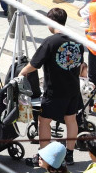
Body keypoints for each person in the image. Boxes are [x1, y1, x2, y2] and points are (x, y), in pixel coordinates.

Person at [16, 8, 84, 163]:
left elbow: (34, 64)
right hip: (73, 89)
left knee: (44, 121)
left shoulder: (50, 42)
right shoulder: (77, 41)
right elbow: (80, 65)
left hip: (55, 90)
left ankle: (43, 156)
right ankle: (69, 155)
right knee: (71, 120)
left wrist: (22, 73)